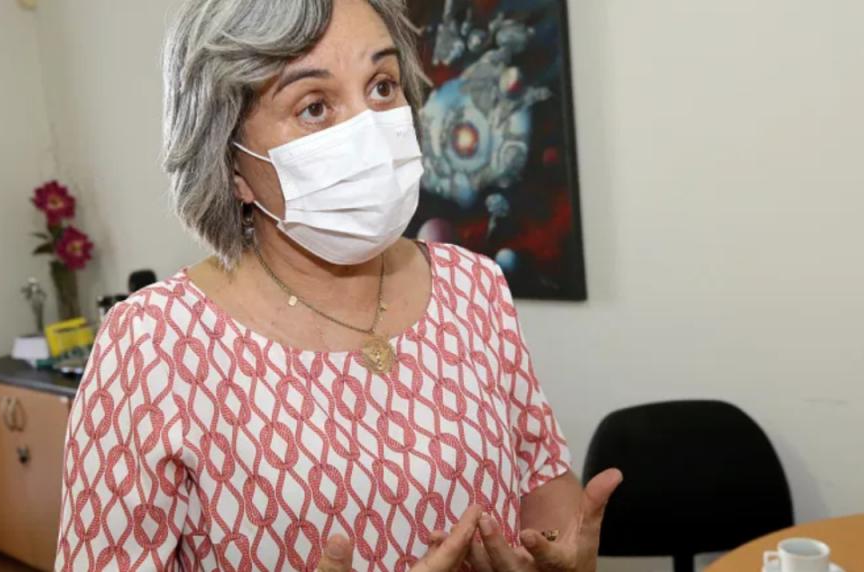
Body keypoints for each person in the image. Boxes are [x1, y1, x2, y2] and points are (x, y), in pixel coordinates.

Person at [55, 0, 621, 570]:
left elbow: (539, 478)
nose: (368, 130)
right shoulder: (153, 345)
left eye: (382, 87)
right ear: (231, 163)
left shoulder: (474, 286)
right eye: (315, 106)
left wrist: (560, 559)